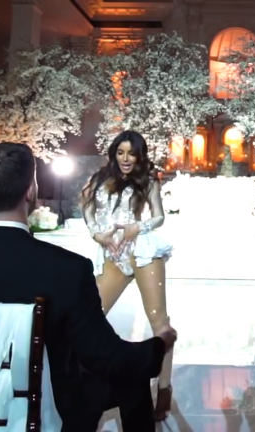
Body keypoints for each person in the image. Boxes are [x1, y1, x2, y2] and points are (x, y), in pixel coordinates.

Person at [0, 143, 177, 431]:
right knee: (132, 377)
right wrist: (158, 344)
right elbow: (107, 358)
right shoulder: (66, 269)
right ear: (30, 191)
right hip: (44, 418)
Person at [81, 130, 174, 421]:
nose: (125, 159)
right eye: (121, 153)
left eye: (131, 154)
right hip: (113, 252)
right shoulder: (99, 178)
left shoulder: (148, 180)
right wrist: (96, 234)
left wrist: (138, 227)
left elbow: (159, 216)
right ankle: (92, 382)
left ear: (139, 156)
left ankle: (164, 388)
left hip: (142, 250)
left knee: (159, 321)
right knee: (91, 315)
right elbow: (87, 207)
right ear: (114, 153)